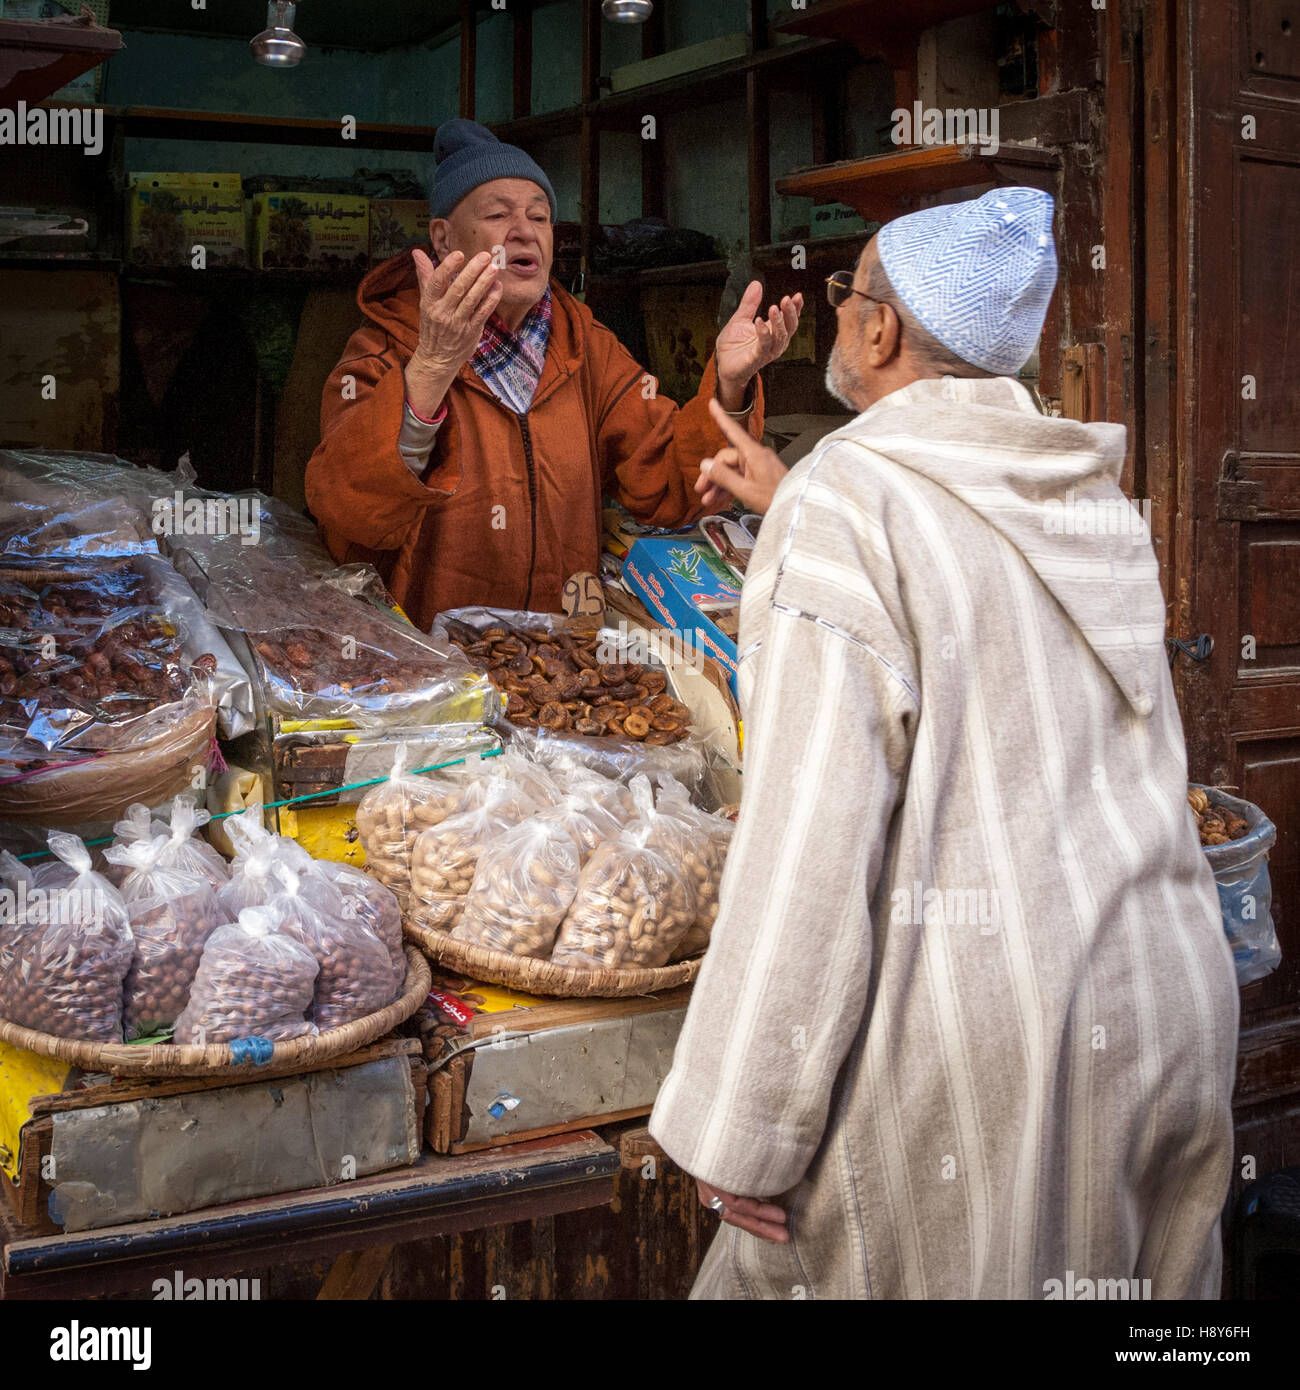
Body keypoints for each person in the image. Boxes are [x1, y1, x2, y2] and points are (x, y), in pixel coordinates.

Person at [649, 187, 1239, 1300]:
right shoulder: (1087, 496)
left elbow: (810, 843)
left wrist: (737, 1130)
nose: (835, 317)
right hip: (1167, 1004)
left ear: (878, 327)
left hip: (996, 1041)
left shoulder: (845, 501)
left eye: (845, 294)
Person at [304, 119, 803, 629]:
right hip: (431, 666)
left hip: (556, 667)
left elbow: (671, 486)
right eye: (498, 214)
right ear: (442, 236)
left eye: (539, 217)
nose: (524, 231)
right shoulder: (385, 346)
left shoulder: (585, 345)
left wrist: (731, 384)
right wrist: (433, 364)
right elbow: (350, 515)